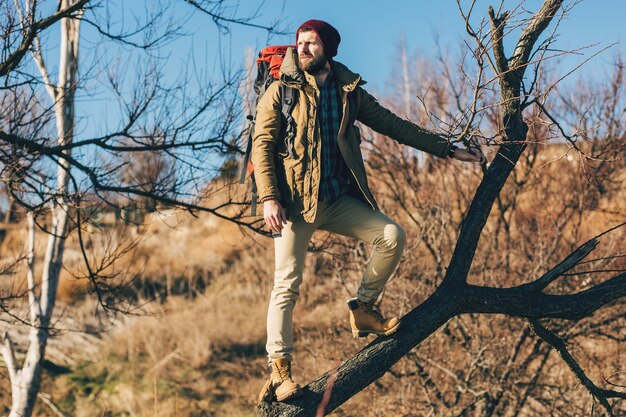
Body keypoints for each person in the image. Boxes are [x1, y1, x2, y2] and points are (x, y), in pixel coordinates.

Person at [253, 19, 486, 403]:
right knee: (286, 285)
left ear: (328, 49)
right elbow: (261, 144)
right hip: (294, 206)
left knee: (391, 235)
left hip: (334, 200)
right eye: (300, 43)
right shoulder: (282, 91)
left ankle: (363, 309)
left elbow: (395, 126)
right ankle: (280, 372)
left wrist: (451, 150)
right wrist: (268, 198)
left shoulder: (348, 93)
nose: (303, 49)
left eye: (311, 43)